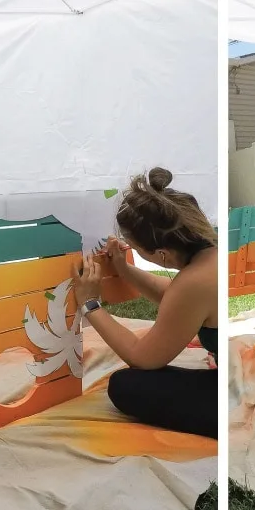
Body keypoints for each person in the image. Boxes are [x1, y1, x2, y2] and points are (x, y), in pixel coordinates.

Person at [71, 167, 217, 439]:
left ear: (162, 254)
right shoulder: (208, 259)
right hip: (232, 376)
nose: (133, 253)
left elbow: (143, 358)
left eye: (135, 250)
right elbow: (173, 295)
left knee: (126, 385)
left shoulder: (194, 282)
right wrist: (124, 270)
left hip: (228, 395)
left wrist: (90, 304)